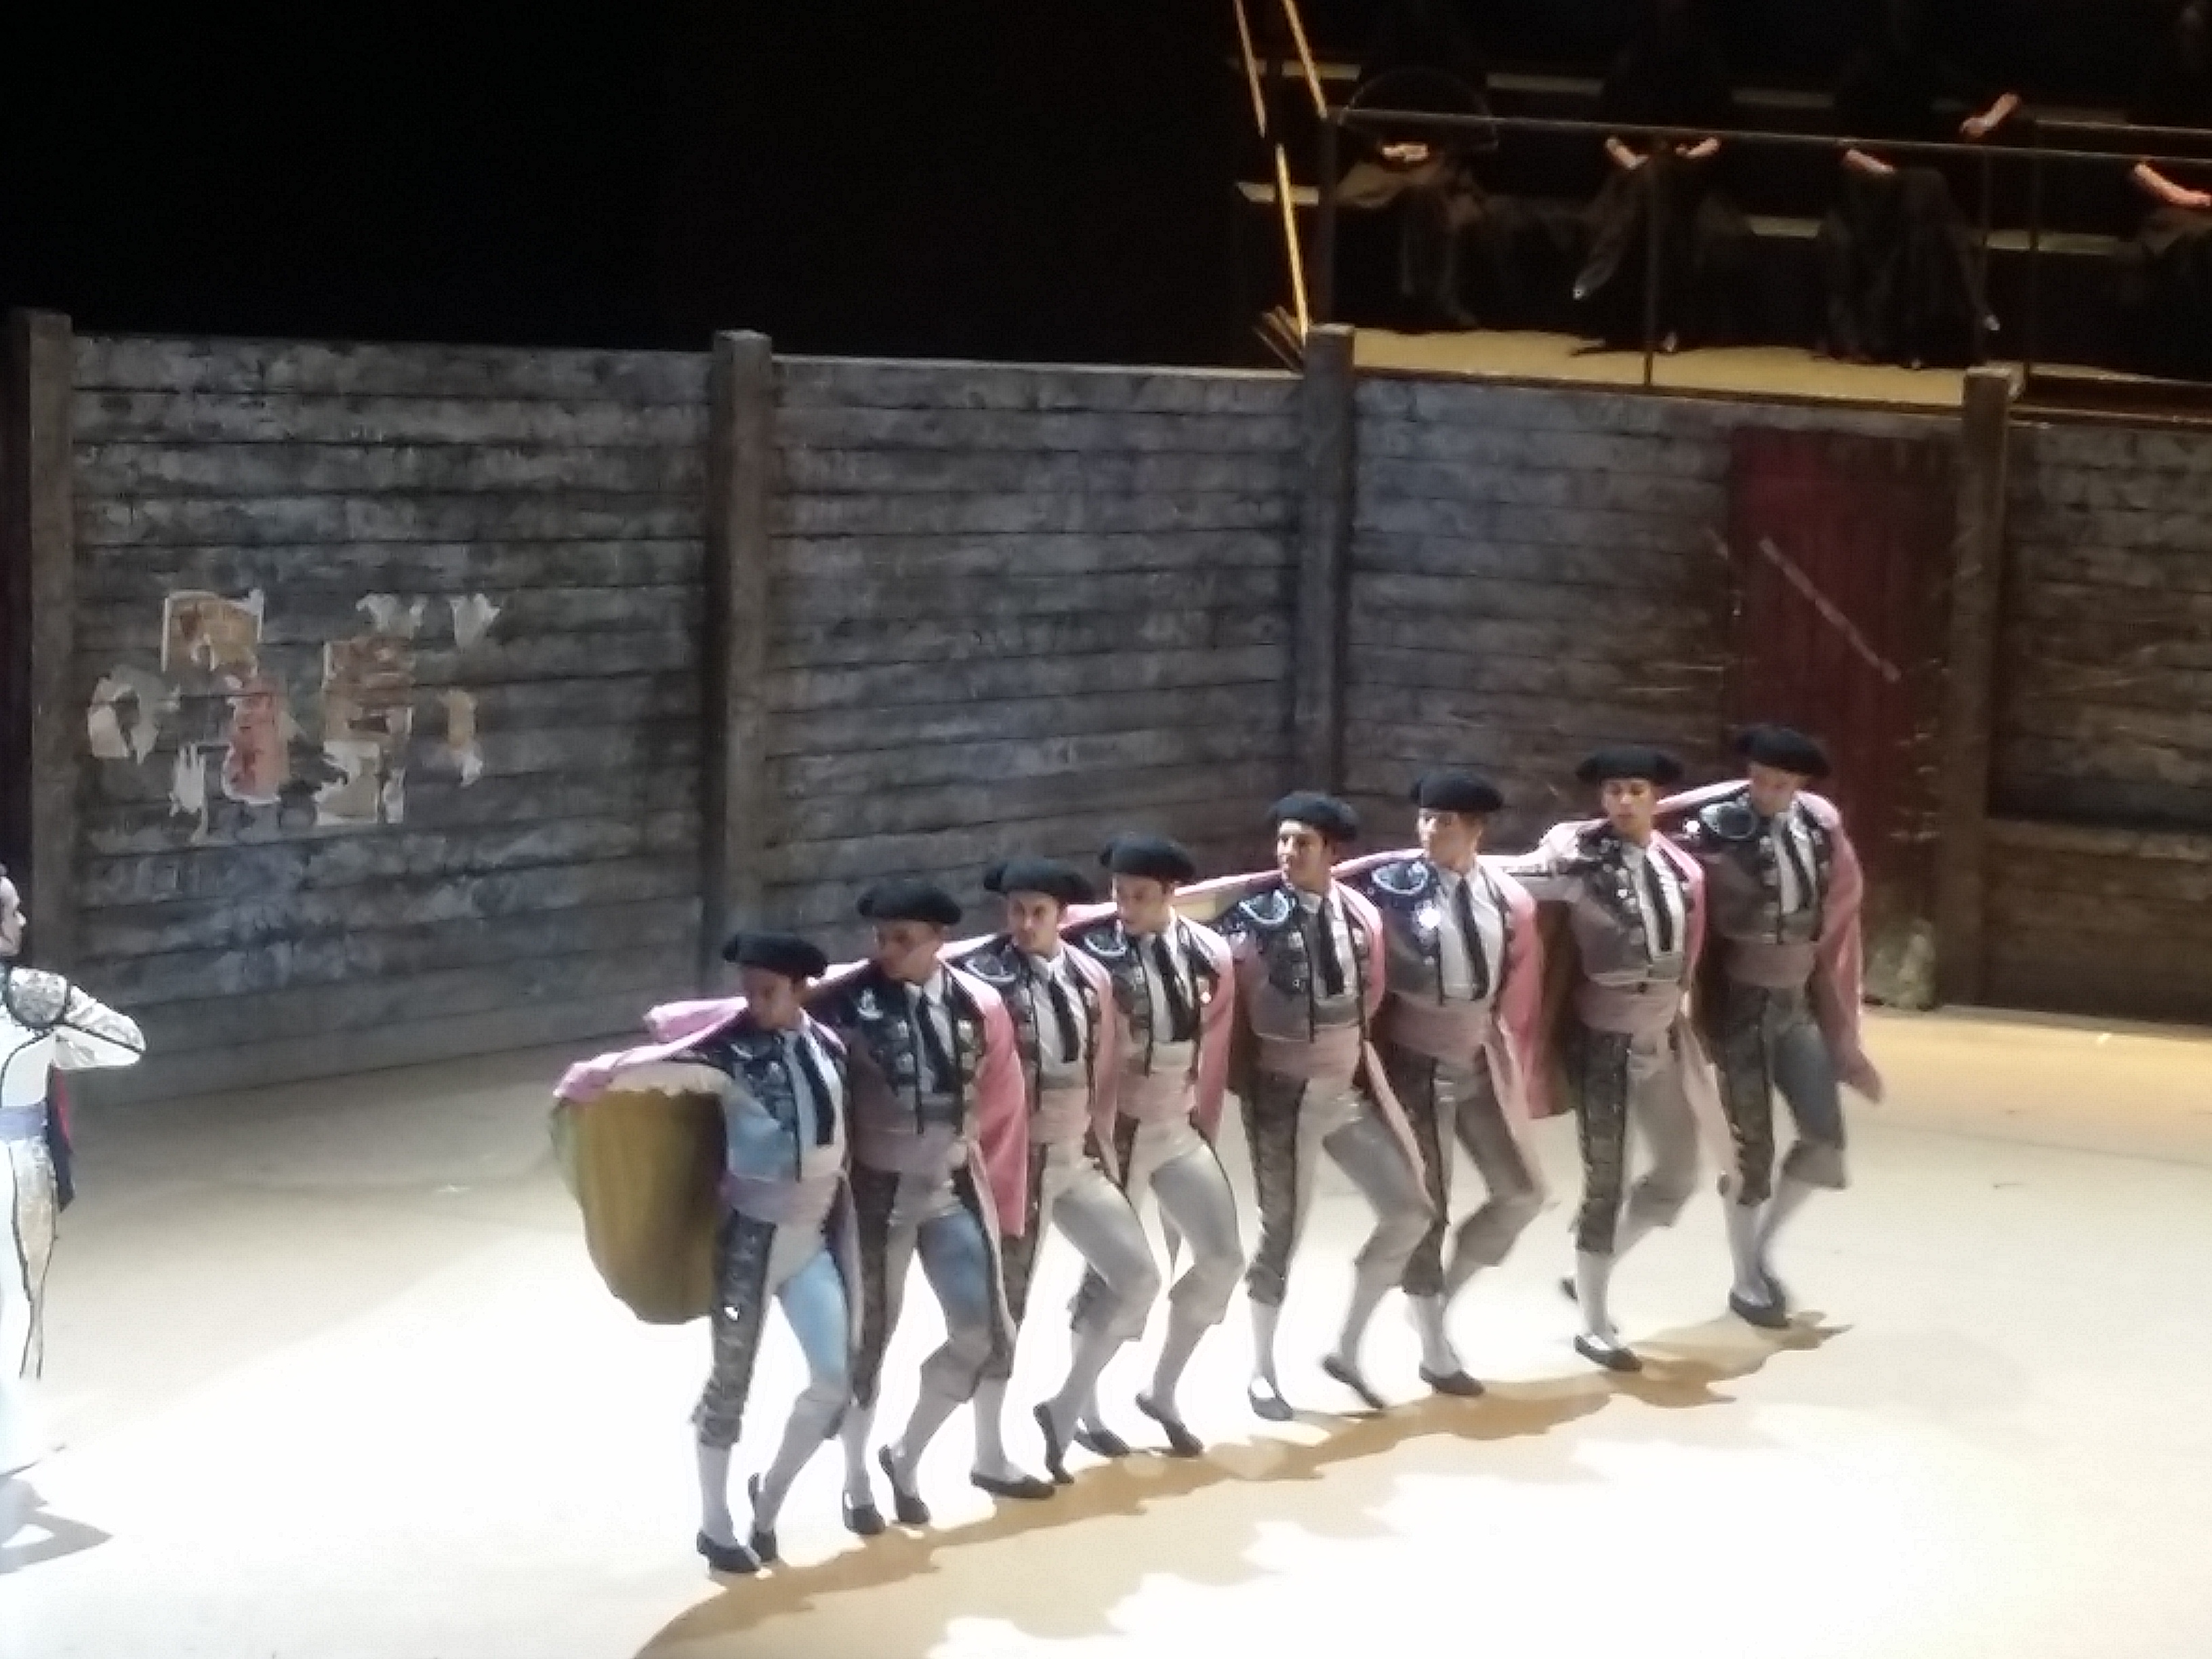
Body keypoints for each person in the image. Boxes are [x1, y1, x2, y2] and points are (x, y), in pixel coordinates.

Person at [813, 881, 1029, 1533]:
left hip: (953, 1185)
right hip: (877, 1195)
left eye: (903, 939)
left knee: (983, 1333)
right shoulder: (844, 1006)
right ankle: (855, 1480)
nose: (886, 950)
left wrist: (1003, 1183)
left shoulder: (978, 1004)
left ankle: (905, 1455)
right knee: (868, 1341)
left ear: (939, 940)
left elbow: (1002, 1103)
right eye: (881, 937)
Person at [1660, 726, 1883, 1327]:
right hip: (1741, 1005)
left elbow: (1837, 912)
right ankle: (1745, 1277)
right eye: (1759, 778)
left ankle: (1759, 1250)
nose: (1765, 791)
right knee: (1749, 1151)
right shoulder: (1711, 828)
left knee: (1824, 1139)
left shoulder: (1818, 827)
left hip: (1795, 1003)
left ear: (1799, 784)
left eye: (1780, 782)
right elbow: (1656, 859)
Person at [1216, 794, 1431, 1418]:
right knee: (1282, 1230)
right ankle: (1261, 1371)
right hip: (1283, 1096)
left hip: (1343, 1089)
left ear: (1332, 852)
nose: (1288, 853)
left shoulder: (1359, 910)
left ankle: (1347, 1347)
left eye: (1302, 843)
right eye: (1283, 840)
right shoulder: (1251, 917)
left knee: (1411, 1211)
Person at [1505, 748, 1716, 1373]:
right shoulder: (1578, 863)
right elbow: (1509, 877)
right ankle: (1594, 1324)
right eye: (1613, 791)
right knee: (1608, 1181)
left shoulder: (1681, 867)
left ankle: (1588, 1275)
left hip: (1662, 1036)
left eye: (1635, 790)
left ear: (1655, 798)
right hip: (1604, 1042)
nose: (1623, 801)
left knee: (1678, 1174)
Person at [954, 858, 1161, 1490]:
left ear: (1061, 916)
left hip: (1074, 1152)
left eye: (1037, 912)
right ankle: (986, 1453)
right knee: (1006, 1309)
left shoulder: (1090, 976)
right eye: (1015, 910)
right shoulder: (982, 982)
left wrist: (1099, 1139)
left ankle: (1067, 1404)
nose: (1023, 923)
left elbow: (1104, 1065)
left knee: (1138, 1276)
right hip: (1017, 1160)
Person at [1340, 771, 1545, 1396]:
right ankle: (1430, 1346)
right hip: (1415, 1063)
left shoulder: (1507, 897)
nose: (1430, 830)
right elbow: (1321, 889)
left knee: (1522, 1192)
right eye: (1426, 818)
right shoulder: (1387, 888)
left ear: (1476, 830)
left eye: (1445, 822)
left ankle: (1438, 1301)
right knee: (1430, 1207)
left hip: (1478, 1057)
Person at [1063, 835, 1243, 1459]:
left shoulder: (1207, 951)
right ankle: (1082, 1406)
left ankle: (1162, 1390)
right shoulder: (1092, 954)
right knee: (1108, 1270)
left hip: (1176, 1121)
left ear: (1171, 894)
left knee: (1223, 1258)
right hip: (1119, 1126)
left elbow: (1212, 1036)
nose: (1126, 907)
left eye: (1141, 895)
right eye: (1119, 894)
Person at [1, 866, 146, 1477]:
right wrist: (52, 1048)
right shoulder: (36, 994)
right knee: (13, 1300)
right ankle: (7, 1439)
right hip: (13, 1163)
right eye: (10, 911)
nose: (21, 920)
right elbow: (126, 1044)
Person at [1819, 0, 2018, 367]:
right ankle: (1973, 309)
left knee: (1926, 201)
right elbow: (1841, 148)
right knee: (1929, 190)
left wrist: (1987, 122)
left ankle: (1929, 335)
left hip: (1909, 185)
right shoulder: (1860, 69)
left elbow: (2006, 95)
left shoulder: (1921, 67)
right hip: (1868, 183)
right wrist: (1884, 173)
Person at [1574, 0, 1752, 351]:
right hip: (1632, 172)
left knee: (1663, 184)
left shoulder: (1707, 65)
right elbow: (1607, 133)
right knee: (1652, 188)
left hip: (1691, 176)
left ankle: (1602, 272)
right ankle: (1657, 323)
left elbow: (1721, 135)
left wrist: (1689, 156)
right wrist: (1634, 163)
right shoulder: (1630, 62)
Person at [2121, 0, 2212, 378]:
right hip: (2173, 203)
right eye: (2184, 35)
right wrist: (2178, 195)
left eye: (2196, 36)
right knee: (2190, 245)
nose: (2188, 43)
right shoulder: (2160, 86)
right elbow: (2129, 161)